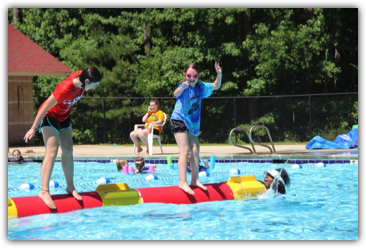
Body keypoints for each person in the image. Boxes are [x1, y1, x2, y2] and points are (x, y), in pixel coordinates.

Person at [23, 66, 102, 209]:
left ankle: (70, 187)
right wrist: (33, 128)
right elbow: (44, 107)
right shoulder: (64, 89)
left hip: (64, 116)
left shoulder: (82, 77)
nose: (95, 88)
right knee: (52, 151)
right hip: (50, 117)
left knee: (68, 150)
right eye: (94, 85)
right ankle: (44, 191)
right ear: (87, 80)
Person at [170, 62, 222, 195]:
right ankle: (182, 182)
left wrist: (219, 74)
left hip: (192, 123)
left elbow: (216, 86)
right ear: (185, 75)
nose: (191, 78)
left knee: (195, 149)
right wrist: (183, 87)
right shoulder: (184, 86)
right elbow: (176, 94)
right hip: (179, 119)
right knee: (185, 150)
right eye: (189, 75)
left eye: (194, 75)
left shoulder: (201, 87)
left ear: (198, 76)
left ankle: (194, 180)